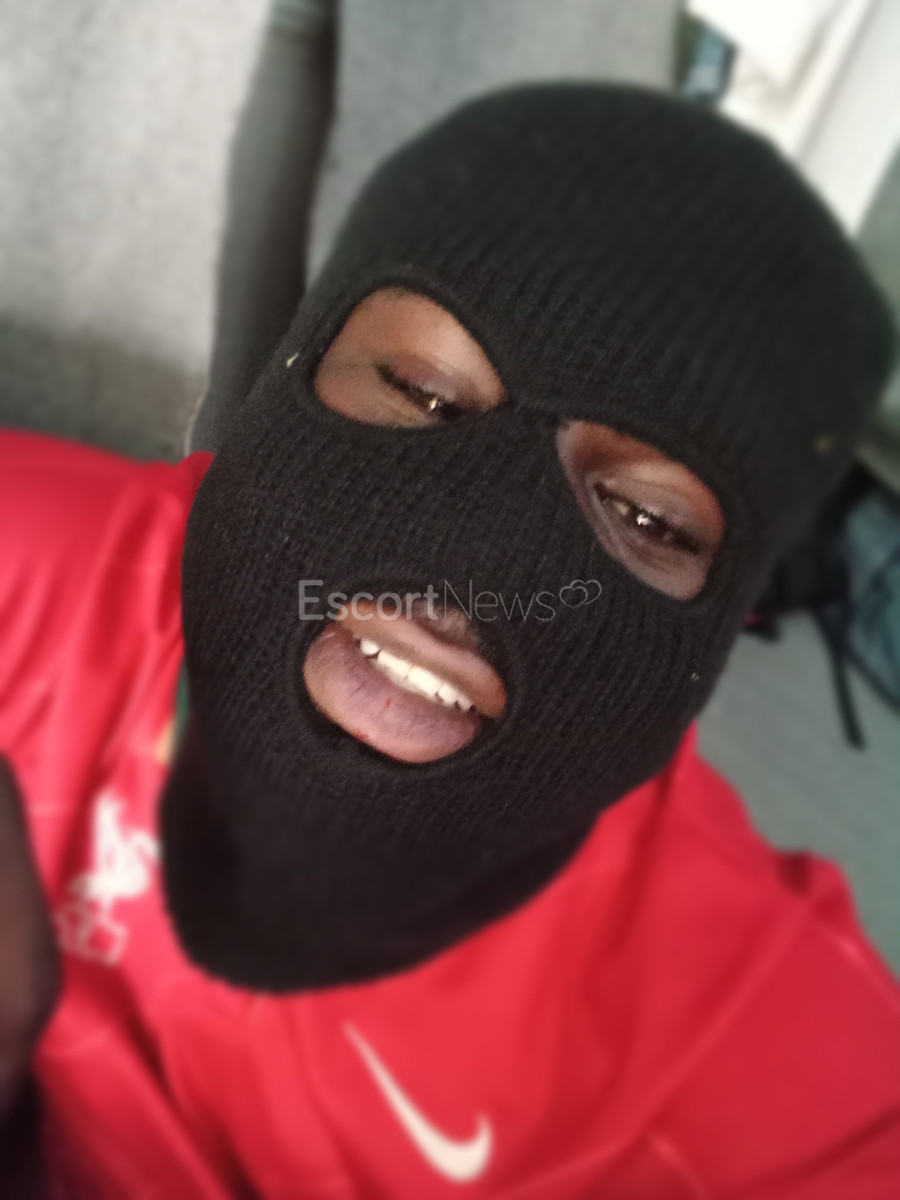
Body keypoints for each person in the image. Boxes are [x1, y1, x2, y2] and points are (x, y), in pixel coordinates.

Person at [1, 84, 899, 1197]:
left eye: (647, 517)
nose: (470, 567)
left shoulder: (756, 1056)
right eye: (421, 394)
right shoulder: (43, 577)